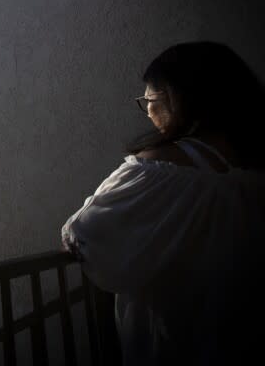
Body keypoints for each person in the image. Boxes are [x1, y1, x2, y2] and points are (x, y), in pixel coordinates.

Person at [61, 41, 265, 365]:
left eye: (150, 101)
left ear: (176, 100)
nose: (150, 112)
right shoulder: (249, 172)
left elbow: (83, 235)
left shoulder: (159, 170)